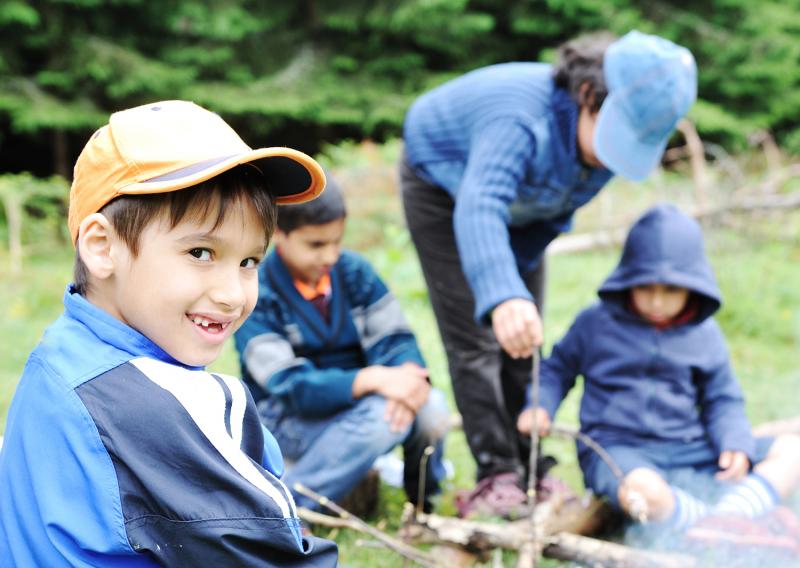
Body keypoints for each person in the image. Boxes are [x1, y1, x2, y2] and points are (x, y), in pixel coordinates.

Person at [0, 100, 339, 566]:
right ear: (102, 248)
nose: (232, 295)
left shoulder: (64, 356)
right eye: (200, 252)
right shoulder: (154, 402)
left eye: (249, 262)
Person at [399, 29, 698, 517]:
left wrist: (516, 287)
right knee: (476, 337)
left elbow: (558, 213)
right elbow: (480, 205)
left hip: (522, 212)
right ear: (587, 95)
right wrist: (499, 295)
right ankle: (497, 476)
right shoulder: (521, 118)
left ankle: (533, 469)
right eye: (613, 134)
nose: (611, 155)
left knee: (523, 334)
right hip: (444, 184)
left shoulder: (601, 154)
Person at [517, 204, 800, 537]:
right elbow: (556, 369)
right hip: (619, 450)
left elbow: (723, 398)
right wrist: (539, 404)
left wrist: (734, 442)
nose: (656, 302)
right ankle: (710, 524)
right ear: (627, 279)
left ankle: (723, 520)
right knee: (645, 493)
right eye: (646, 288)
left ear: (692, 288)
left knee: (792, 450)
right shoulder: (595, 323)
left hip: (690, 447)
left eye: (671, 291)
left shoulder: (704, 334)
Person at [234, 175, 450, 514]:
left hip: (362, 405)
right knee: (382, 419)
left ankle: (423, 506)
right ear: (279, 234)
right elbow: (289, 385)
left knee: (431, 405)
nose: (331, 256)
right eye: (317, 245)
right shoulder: (258, 291)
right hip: (287, 418)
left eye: (337, 242)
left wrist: (408, 375)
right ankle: (288, 508)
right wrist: (371, 380)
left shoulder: (354, 272)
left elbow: (395, 339)